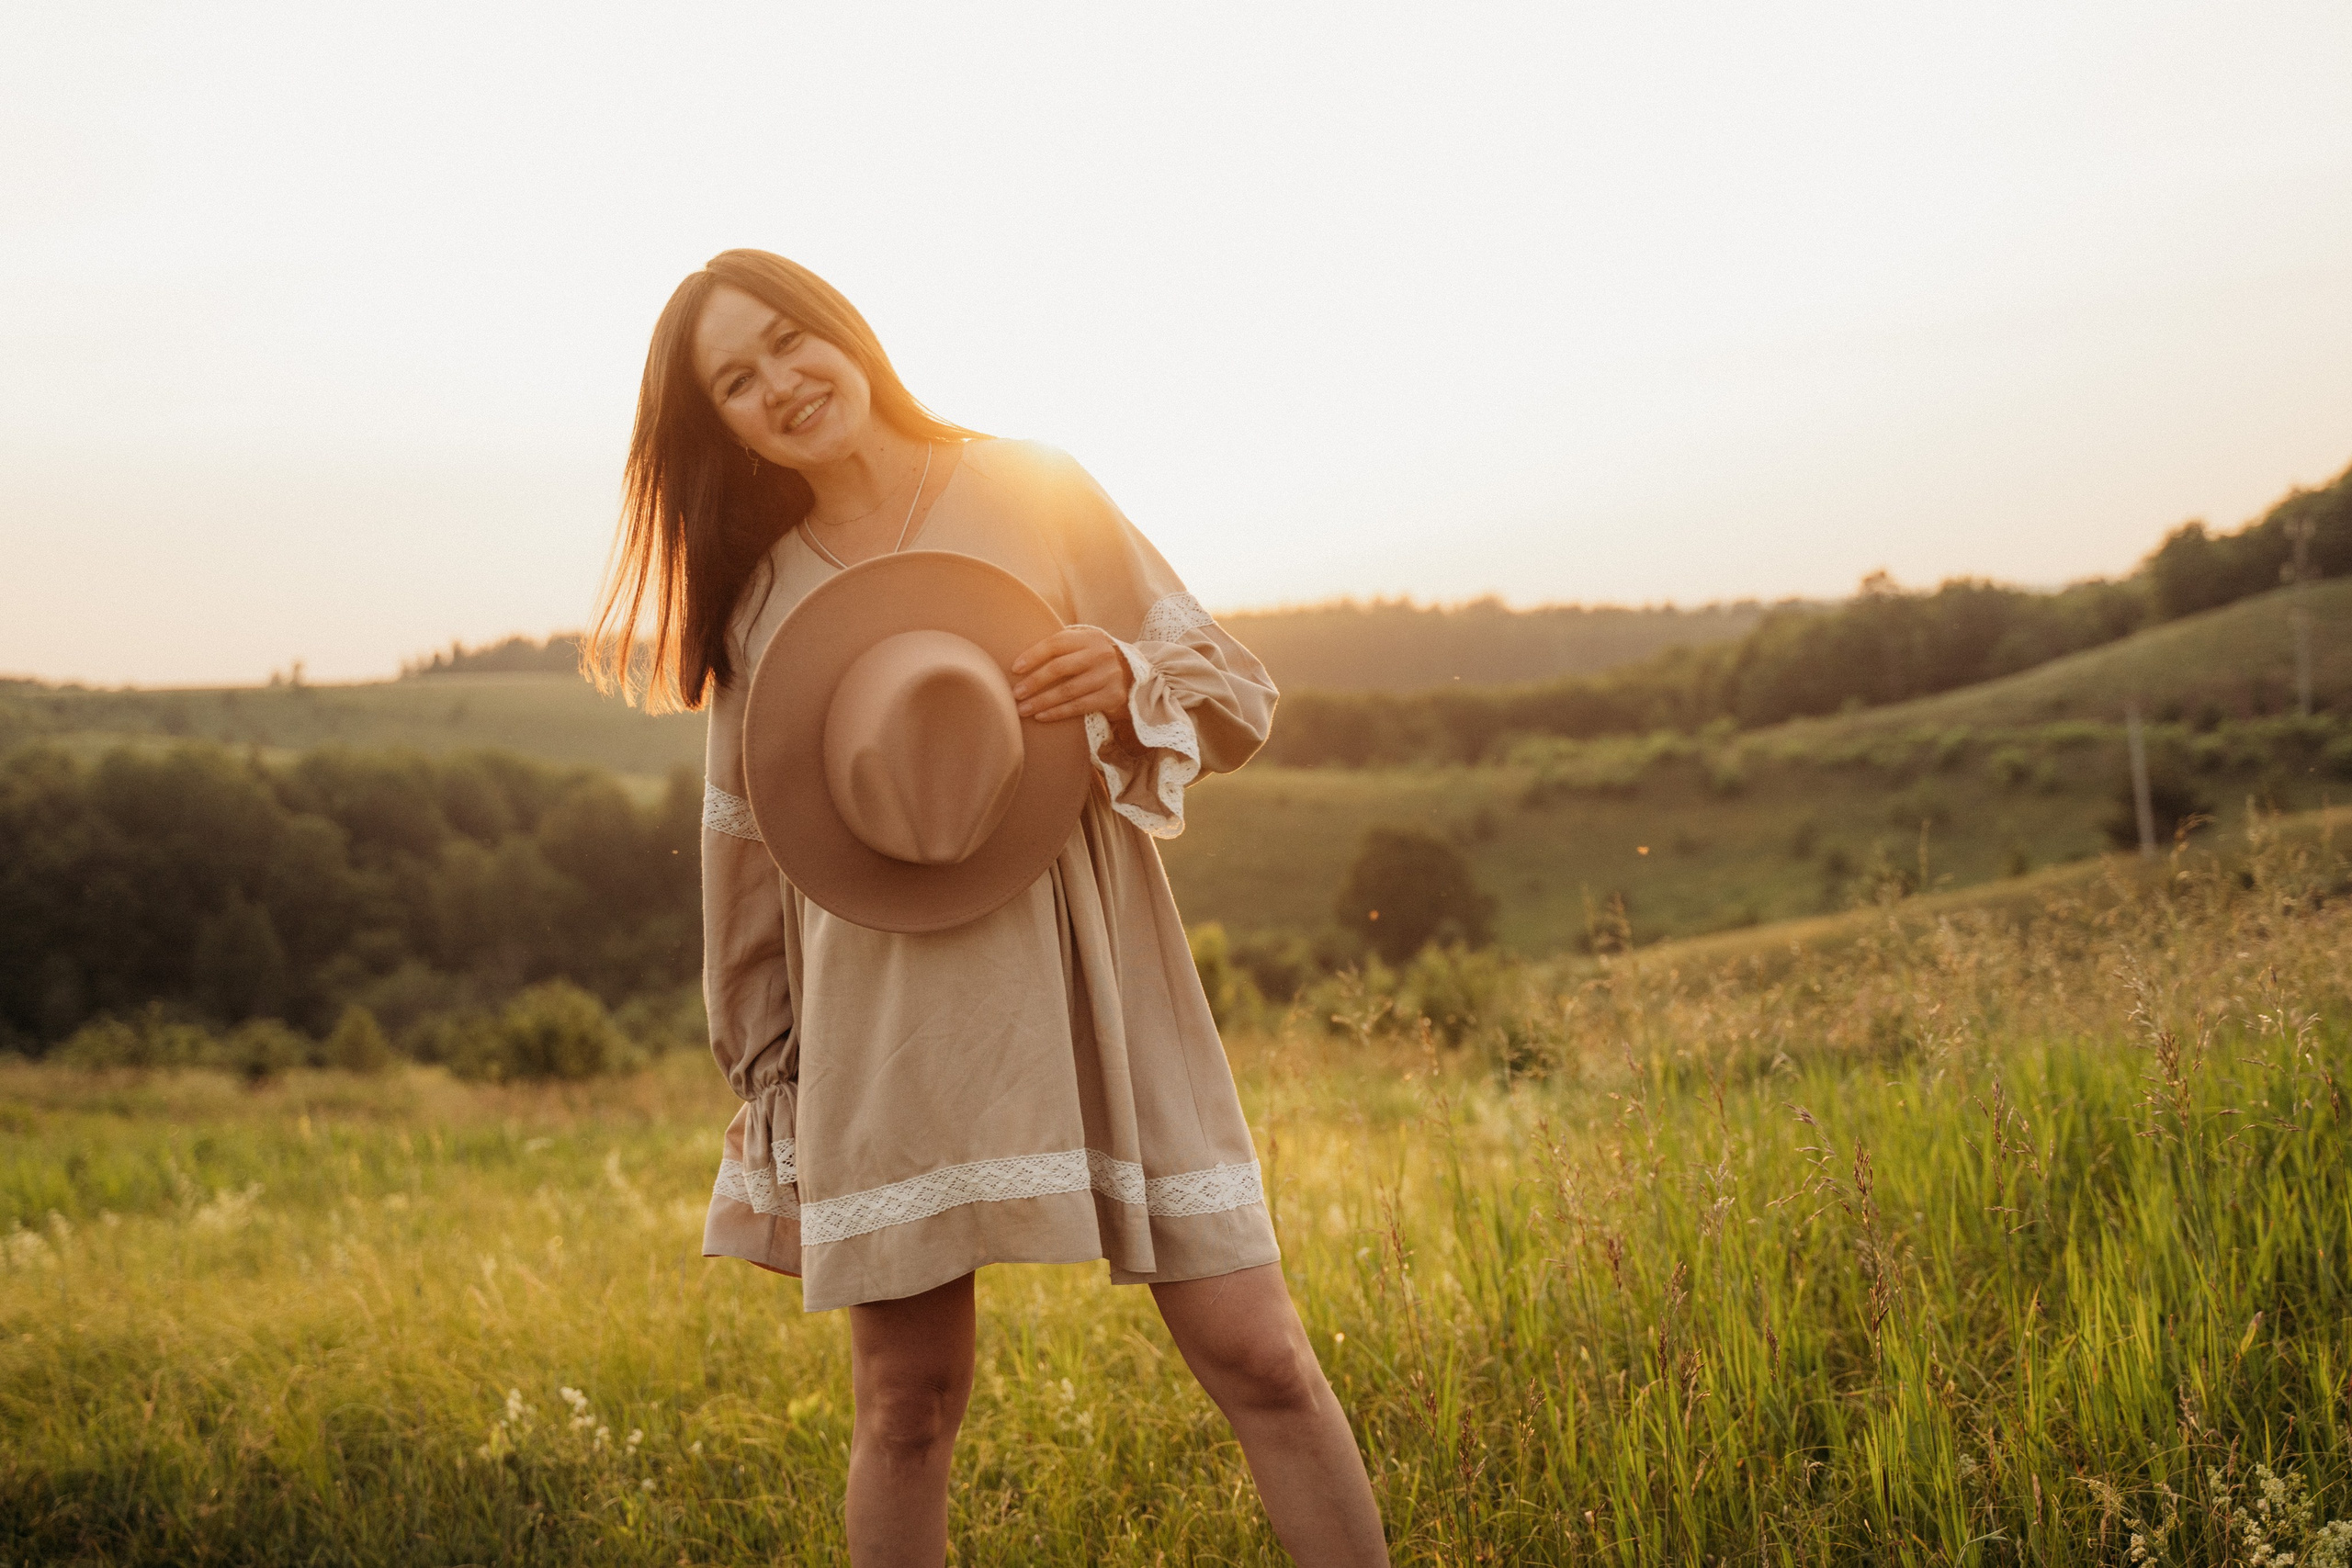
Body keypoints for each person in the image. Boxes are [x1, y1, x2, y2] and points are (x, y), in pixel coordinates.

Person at [589, 249, 1388, 1568]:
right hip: (884, 1008)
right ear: (721, 427)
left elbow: (1234, 692)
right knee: (907, 1402)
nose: (781, 384)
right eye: (736, 382)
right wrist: (774, 1076)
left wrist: (1123, 671)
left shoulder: (1033, 486)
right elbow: (745, 865)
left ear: (846, 330)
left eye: (789, 341)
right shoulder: (758, 601)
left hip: (1093, 967)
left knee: (1260, 1353)